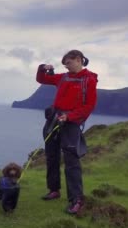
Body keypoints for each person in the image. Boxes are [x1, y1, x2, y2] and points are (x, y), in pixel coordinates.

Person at [36, 50, 98, 215]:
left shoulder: (89, 80)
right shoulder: (63, 77)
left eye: (69, 63)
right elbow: (41, 79)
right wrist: (43, 68)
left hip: (70, 123)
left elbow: (89, 106)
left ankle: (76, 199)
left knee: (71, 162)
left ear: (78, 60)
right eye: (65, 65)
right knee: (51, 155)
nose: (67, 67)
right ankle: (54, 190)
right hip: (54, 120)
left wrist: (70, 117)